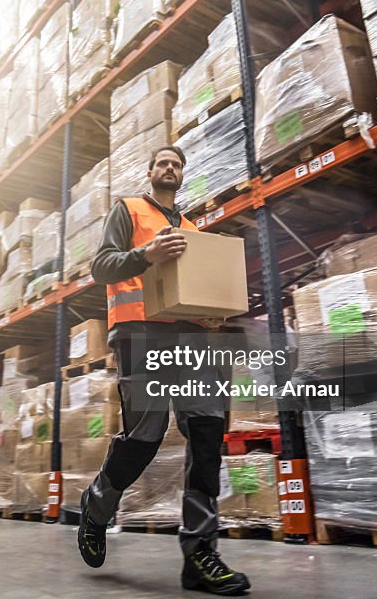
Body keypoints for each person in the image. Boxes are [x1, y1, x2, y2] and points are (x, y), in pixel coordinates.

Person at [77, 145, 250, 596]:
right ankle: (96, 507)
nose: (170, 168)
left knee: (208, 432)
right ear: (151, 172)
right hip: (140, 336)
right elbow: (101, 267)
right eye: (163, 163)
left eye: (177, 164)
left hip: (191, 339)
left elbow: (196, 287)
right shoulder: (129, 210)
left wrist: (212, 315)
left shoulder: (193, 229)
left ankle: (200, 553)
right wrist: (146, 254)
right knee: (144, 437)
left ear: (182, 175)